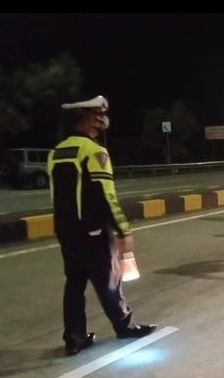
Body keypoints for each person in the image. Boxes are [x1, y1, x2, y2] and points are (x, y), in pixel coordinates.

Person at [48, 95, 156, 356]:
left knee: (74, 284)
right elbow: (107, 195)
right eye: (96, 114)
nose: (101, 119)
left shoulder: (56, 152)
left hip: (65, 230)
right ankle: (124, 326)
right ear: (83, 117)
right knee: (109, 281)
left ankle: (74, 338)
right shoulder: (95, 151)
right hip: (94, 231)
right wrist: (123, 228)